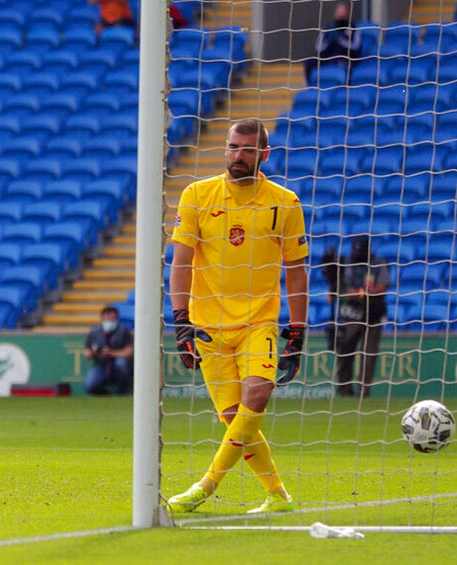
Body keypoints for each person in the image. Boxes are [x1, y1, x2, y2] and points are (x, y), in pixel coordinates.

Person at [167, 118, 309, 515]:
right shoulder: (197, 195)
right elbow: (180, 264)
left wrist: (297, 329)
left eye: (248, 149)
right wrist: (180, 321)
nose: (238, 155)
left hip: (258, 323)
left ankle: (205, 486)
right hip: (208, 325)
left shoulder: (286, 202)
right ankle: (277, 495)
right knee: (234, 419)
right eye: (233, 147)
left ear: (264, 154)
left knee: (258, 397)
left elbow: (296, 270)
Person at [333, 236, 388, 398]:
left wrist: (362, 294)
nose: (356, 254)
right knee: (345, 351)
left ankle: (364, 391)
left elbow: (382, 287)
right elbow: (341, 288)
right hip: (351, 315)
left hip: (373, 315)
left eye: (360, 251)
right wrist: (355, 293)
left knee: (369, 354)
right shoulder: (346, 263)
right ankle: (344, 389)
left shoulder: (378, 263)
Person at [304, 0, 361, 83]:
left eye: (343, 11)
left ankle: (346, 90)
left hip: (345, 58)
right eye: (339, 11)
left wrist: (340, 40)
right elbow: (318, 47)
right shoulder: (328, 28)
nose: (340, 13)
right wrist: (329, 43)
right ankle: (309, 86)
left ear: (348, 13)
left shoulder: (354, 29)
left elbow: (356, 47)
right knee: (309, 64)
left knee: (346, 67)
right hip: (328, 57)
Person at [82, 306, 134, 395]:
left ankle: (122, 393)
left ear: (117, 319)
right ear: (102, 319)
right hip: (102, 365)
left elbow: (129, 352)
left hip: (119, 364)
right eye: (107, 319)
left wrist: (111, 353)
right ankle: (105, 395)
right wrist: (96, 353)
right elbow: (87, 352)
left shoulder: (124, 331)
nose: (109, 322)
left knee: (121, 364)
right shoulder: (94, 333)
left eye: (112, 319)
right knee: (90, 384)